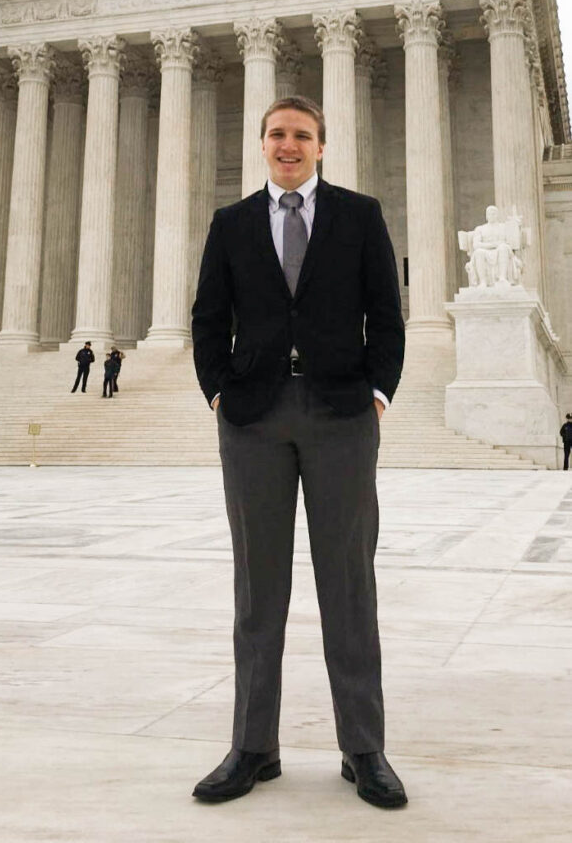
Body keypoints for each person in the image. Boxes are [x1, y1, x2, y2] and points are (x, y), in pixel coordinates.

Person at [191, 96, 406, 808]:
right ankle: (253, 747)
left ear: (321, 146)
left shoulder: (360, 214)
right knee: (258, 590)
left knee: (348, 584)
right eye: (278, 134)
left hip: (341, 412)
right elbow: (208, 316)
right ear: (262, 145)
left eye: (302, 135)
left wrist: (379, 392)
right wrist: (218, 394)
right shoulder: (231, 224)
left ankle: (364, 749)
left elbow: (387, 310)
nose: (290, 145)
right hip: (253, 415)